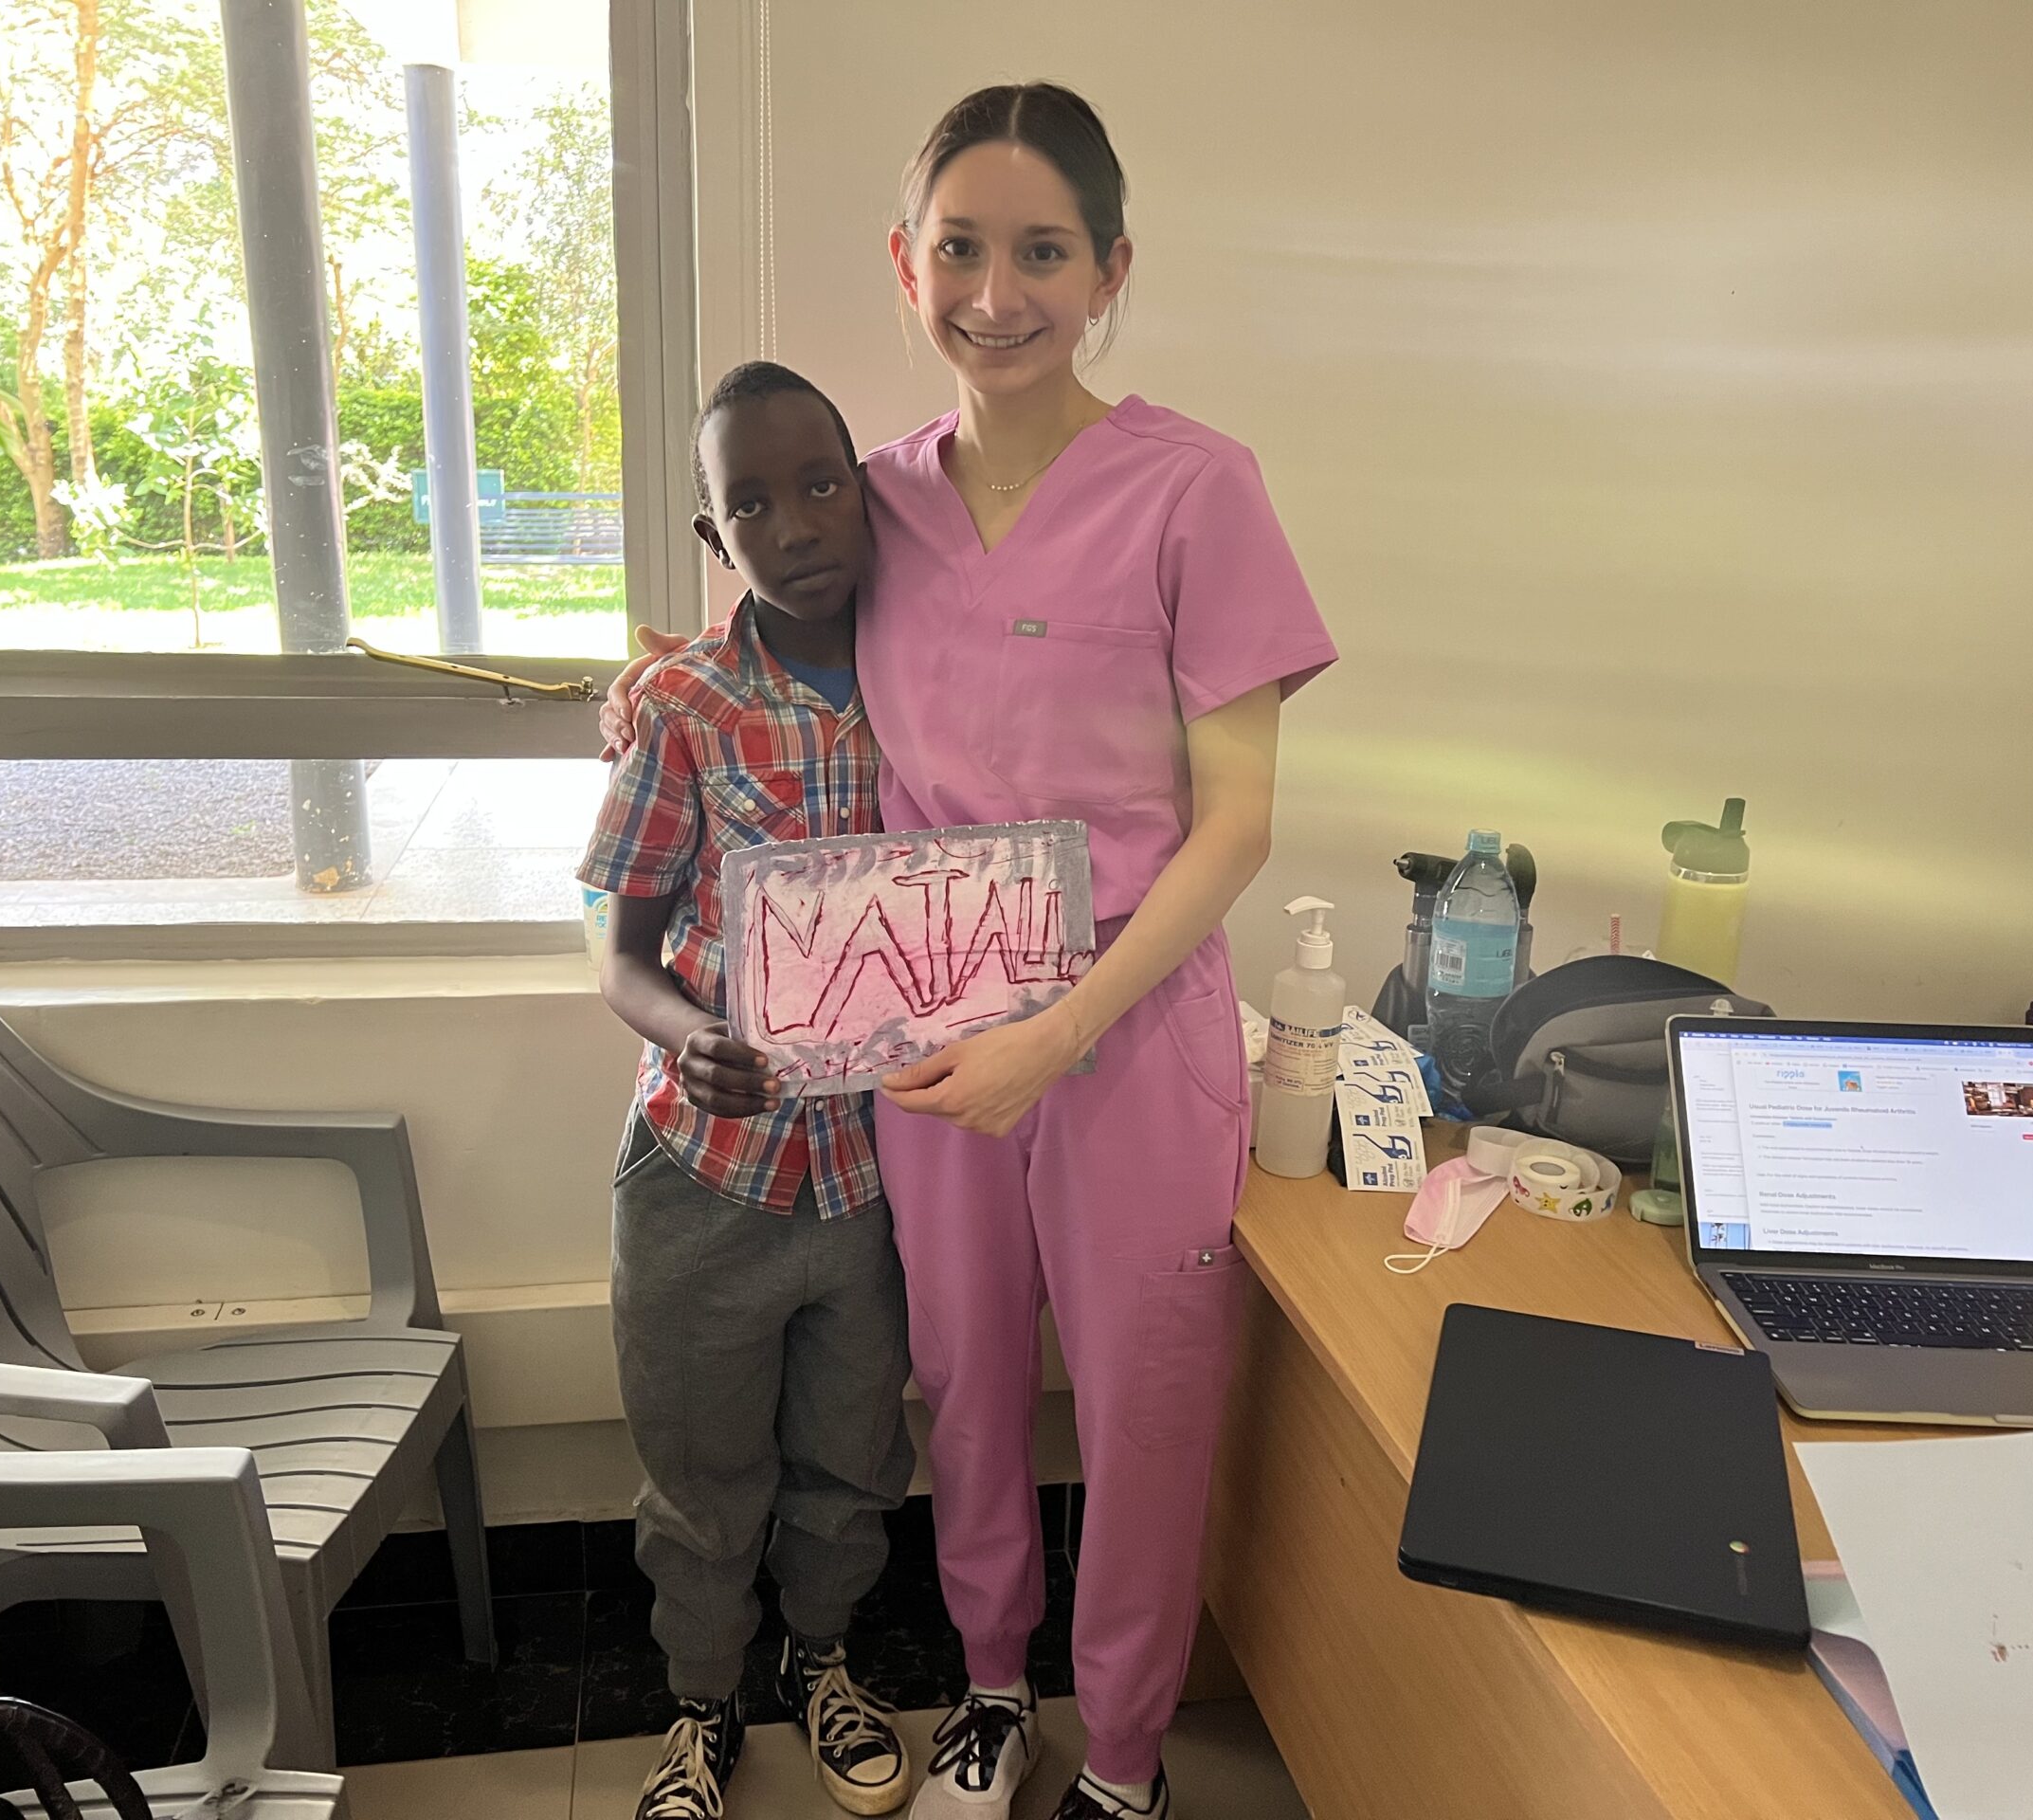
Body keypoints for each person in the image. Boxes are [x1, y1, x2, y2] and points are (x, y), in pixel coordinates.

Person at [608, 84, 1336, 1820]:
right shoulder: (875, 500)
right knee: (961, 1382)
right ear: (905, 261)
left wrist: (1059, 1038)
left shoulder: (1197, 488)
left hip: (1128, 1025)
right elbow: (756, 634)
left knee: (1146, 1406)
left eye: (1042, 253)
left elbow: (1236, 825)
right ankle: (994, 1689)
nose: (996, 295)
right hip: (926, 1023)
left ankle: (1130, 1755)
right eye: (960, 250)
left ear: (1110, 271)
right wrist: (636, 681)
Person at [578, 361, 917, 1820]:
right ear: (714, 537)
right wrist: (682, 1031)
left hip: (880, 1178)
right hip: (705, 1177)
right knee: (701, 1479)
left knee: (854, 1461)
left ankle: (823, 1663)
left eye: (822, 484)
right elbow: (618, 949)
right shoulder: (686, 703)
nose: (796, 524)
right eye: (753, 505)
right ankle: (703, 1704)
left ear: (869, 492)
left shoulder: (937, 678)